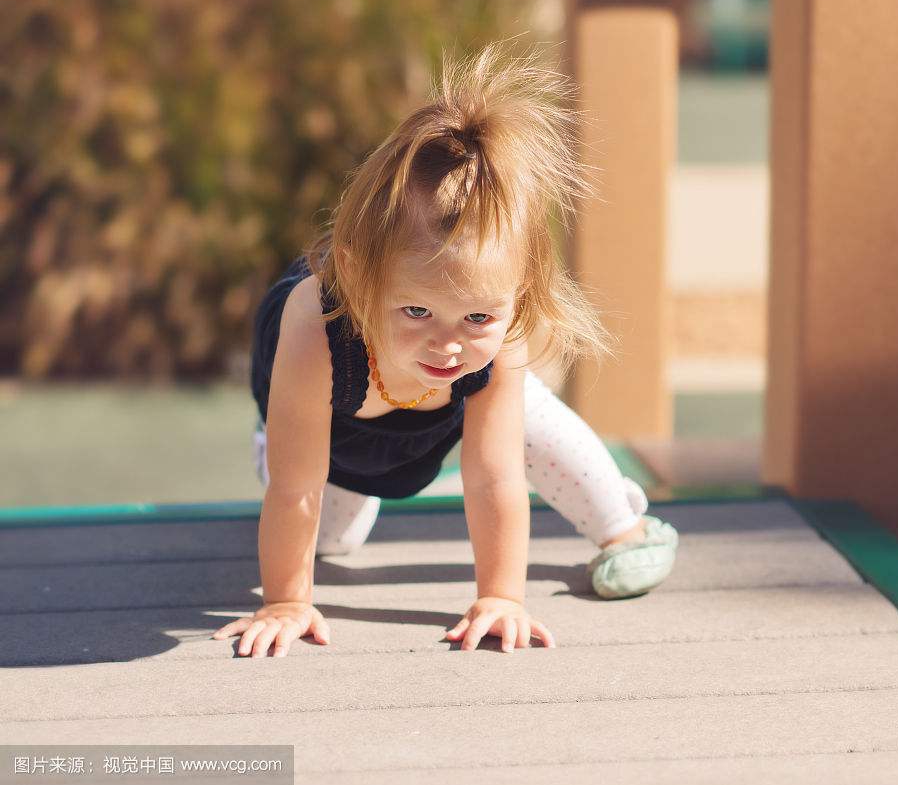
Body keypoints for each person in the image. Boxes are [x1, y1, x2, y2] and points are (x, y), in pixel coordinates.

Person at [212, 44, 679, 659]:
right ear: (358, 279)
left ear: (519, 294)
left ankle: (628, 529)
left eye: (479, 316)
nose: (449, 342)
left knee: (529, 421)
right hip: (334, 425)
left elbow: (494, 480)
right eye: (416, 311)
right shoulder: (315, 323)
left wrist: (502, 596)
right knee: (332, 539)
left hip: (440, 412)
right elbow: (296, 489)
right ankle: (280, 440)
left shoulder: (492, 340)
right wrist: (287, 601)